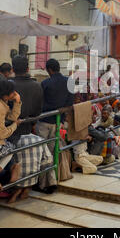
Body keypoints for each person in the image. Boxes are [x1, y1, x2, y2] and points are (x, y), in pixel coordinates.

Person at [5, 55, 49, 204]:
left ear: (12, 69)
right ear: (28, 69)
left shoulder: (8, 84)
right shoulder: (37, 86)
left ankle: (11, 189)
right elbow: (38, 110)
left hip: (8, 128)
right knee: (27, 159)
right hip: (28, 128)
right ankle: (25, 188)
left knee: (10, 159)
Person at [36, 58, 74, 194]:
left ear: (49, 70)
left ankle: (46, 182)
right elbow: (70, 103)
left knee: (41, 152)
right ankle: (51, 180)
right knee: (52, 151)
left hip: (45, 120)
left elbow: (39, 103)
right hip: (58, 122)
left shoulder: (45, 83)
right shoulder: (69, 81)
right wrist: (62, 117)